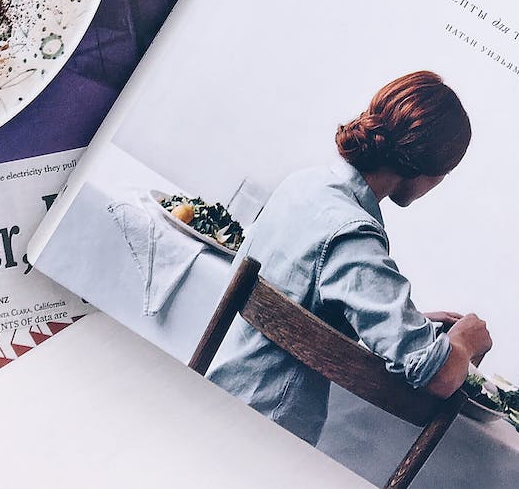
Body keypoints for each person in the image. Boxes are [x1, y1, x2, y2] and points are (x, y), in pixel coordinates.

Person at [207, 70, 491, 446]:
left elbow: (303, 294)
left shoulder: (304, 185)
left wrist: (409, 322)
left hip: (212, 392)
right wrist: (466, 340)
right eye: (444, 173)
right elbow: (437, 375)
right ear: (423, 168)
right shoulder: (353, 233)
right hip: (264, 433)